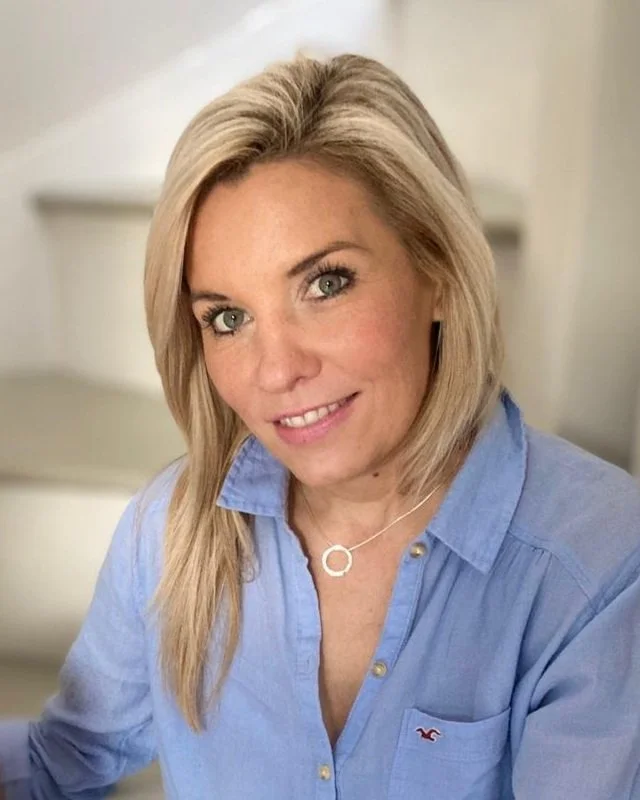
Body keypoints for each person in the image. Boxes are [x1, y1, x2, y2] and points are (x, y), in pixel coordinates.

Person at [1, 53, 639, 800]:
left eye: (325, 283)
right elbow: (59, 762)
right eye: (228, 318)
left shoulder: (597, 565)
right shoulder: (170, 533)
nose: (275, 372)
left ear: (436, 269)